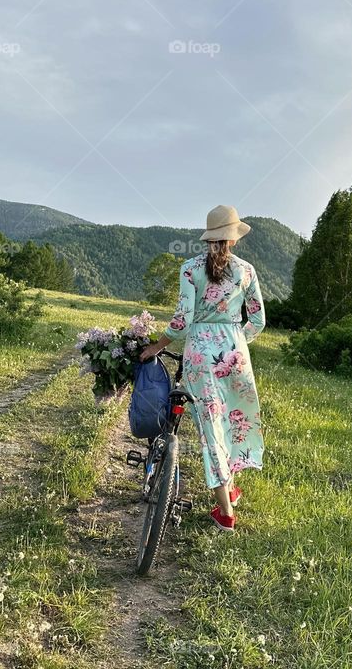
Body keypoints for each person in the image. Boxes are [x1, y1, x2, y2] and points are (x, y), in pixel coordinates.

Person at [140, 205, 266, 531]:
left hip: (199, 356)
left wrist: (155, 346)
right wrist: (236, 340)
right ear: (234, 239)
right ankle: (231, 489)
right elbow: (258, 320)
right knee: (232, 420)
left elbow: (181, 323)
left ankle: (226, 512)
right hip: (236, 354)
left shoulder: (189, 269)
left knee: (210, 428)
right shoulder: (247, 271)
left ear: (209, 238)